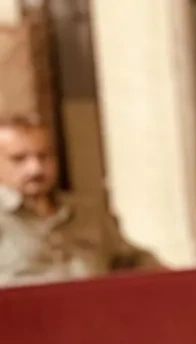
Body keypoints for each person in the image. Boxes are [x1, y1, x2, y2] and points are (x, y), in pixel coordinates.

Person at [0, 115, 160, 287]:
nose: (35, 169)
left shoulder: (88, 212)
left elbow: (132, 261)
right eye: (19, 159)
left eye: (44, 156)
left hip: (97, 309)